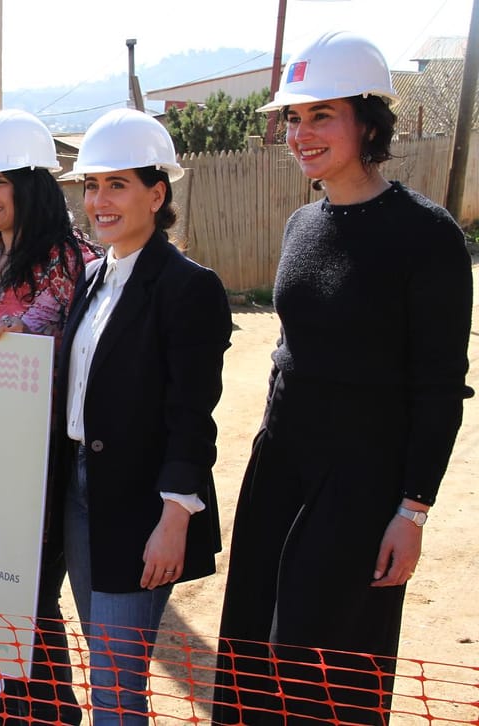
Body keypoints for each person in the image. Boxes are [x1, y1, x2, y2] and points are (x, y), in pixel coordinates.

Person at [212, 31, 474, 726]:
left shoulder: (428, 236)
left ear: (368, 119)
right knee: (253, 666)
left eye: (320, 114)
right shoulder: (303, 222)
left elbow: (441, 387)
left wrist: (412, 509)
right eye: (293, 118)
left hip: (362, 486)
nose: (301, 133)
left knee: (323, 677)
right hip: (282, 471)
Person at [53, 108, 232, 725]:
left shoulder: (189, 287)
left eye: (117, 184)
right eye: (91, 185)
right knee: (108, 672)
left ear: (157, 194)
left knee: (116, 687)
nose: (99, 200)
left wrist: (175, 515)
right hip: (82, 491)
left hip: (141, 504)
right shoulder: (94, 276)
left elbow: (193, 415)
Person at [0, 109, 102, 726]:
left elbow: (40, 339)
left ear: (31, 187)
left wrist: (10, 335)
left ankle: (42, 707)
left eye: (0, 181)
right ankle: (28, 696)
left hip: (40, 456)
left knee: (29, 589)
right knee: (12, 589)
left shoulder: (67, 259)